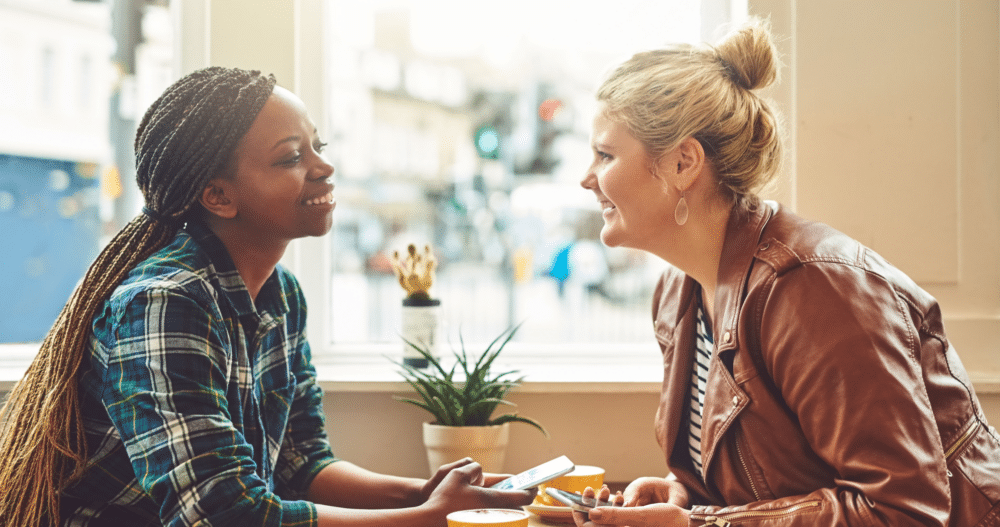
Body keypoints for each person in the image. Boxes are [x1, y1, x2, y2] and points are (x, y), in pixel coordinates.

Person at [0, 67, 533, 527]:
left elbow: (301, 465)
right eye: (290, 158)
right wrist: (427, 518)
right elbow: (222, 514)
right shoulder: (165, 303)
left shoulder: (280, 295)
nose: (322, 167)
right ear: (218, 196)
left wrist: (423, 493)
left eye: (317, 148)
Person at [573, 19, 1000, 527]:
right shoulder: (677, 290)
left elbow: (902, 512)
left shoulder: (817, 289)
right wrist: (682, 495)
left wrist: (699, 525)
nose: (586, 178)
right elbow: (769, 473)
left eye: (605, 154)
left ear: (683, 163)